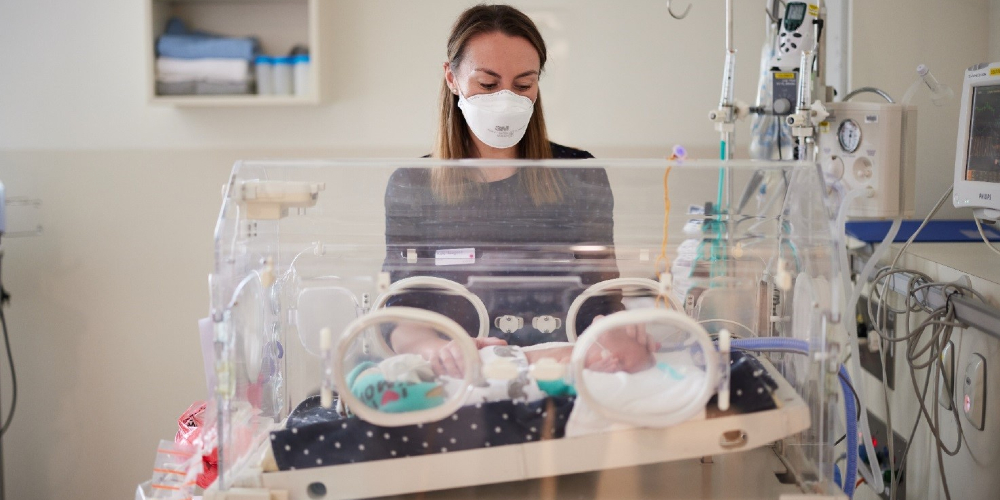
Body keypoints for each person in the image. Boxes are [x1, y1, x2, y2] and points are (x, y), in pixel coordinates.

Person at [382, 4, 632, 372]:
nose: (506, 100)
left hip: (564, 371)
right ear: (451, 78)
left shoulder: (580, 175)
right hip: (463, 377)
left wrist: (615, 335)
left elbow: (603, 302)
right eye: (487, 84)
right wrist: (438, 351)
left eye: (523, 85)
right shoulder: (413, 185)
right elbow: (401, 315)